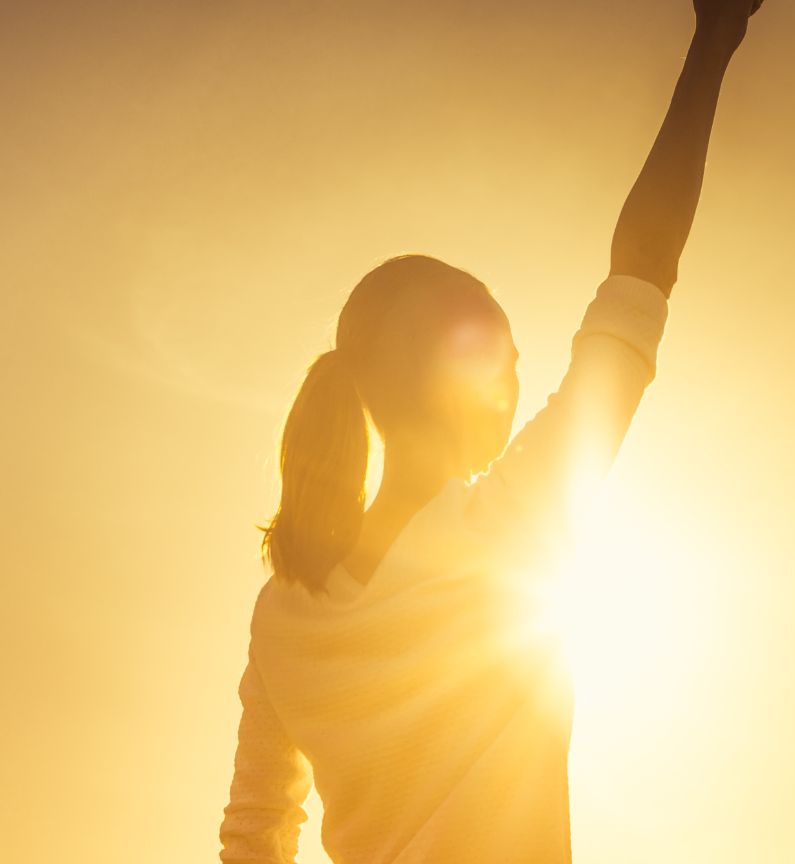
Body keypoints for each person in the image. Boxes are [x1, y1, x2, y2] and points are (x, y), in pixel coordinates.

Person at [217, 3, 764, 861]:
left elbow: (253, 836)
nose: (517, 386)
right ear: (464, 383)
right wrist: (714, 42)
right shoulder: (510, 525)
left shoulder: (282, 615)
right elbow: (641, 273)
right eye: (506, 363)